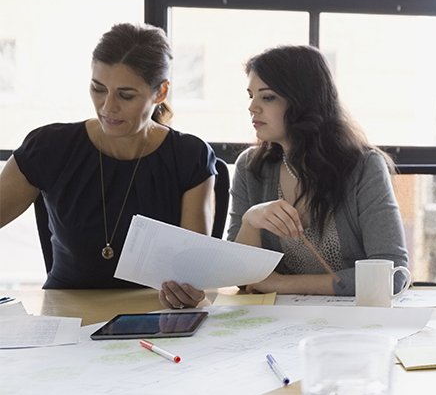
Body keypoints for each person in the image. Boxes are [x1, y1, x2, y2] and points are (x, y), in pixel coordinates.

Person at [159, 45, 408, 308]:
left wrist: (281, 284)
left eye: (267, 97)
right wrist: (251, 220)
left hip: (355, 321)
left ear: (303, 102)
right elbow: (239, 278)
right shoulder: (249, 168)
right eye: (251, 96)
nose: (252, 107)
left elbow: (392, 275)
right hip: (280, 323)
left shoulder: (364, 167)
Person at [0, 22, 217, 289]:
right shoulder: (49, 147)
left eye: (126, 96)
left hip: (155, 310)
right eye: (98, 89)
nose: (107, 107)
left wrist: (190, 291)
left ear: (160, 92)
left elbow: (192, 273)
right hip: (65, 309)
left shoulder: (190, 157)